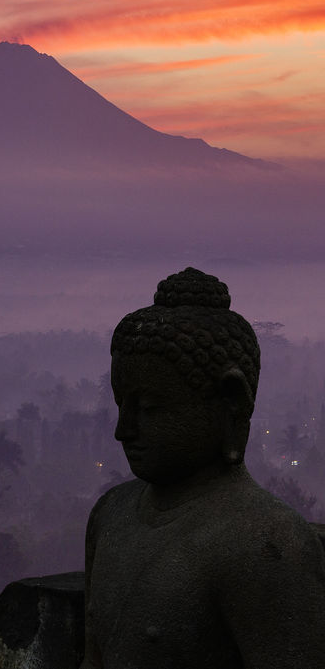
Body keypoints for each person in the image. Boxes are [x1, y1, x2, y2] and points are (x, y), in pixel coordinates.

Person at [81, 267, 325, 668]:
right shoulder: (110, 516)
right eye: (121, 404)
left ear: (229, 404)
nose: (123, 431)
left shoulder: (268, 543)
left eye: (149, 408)